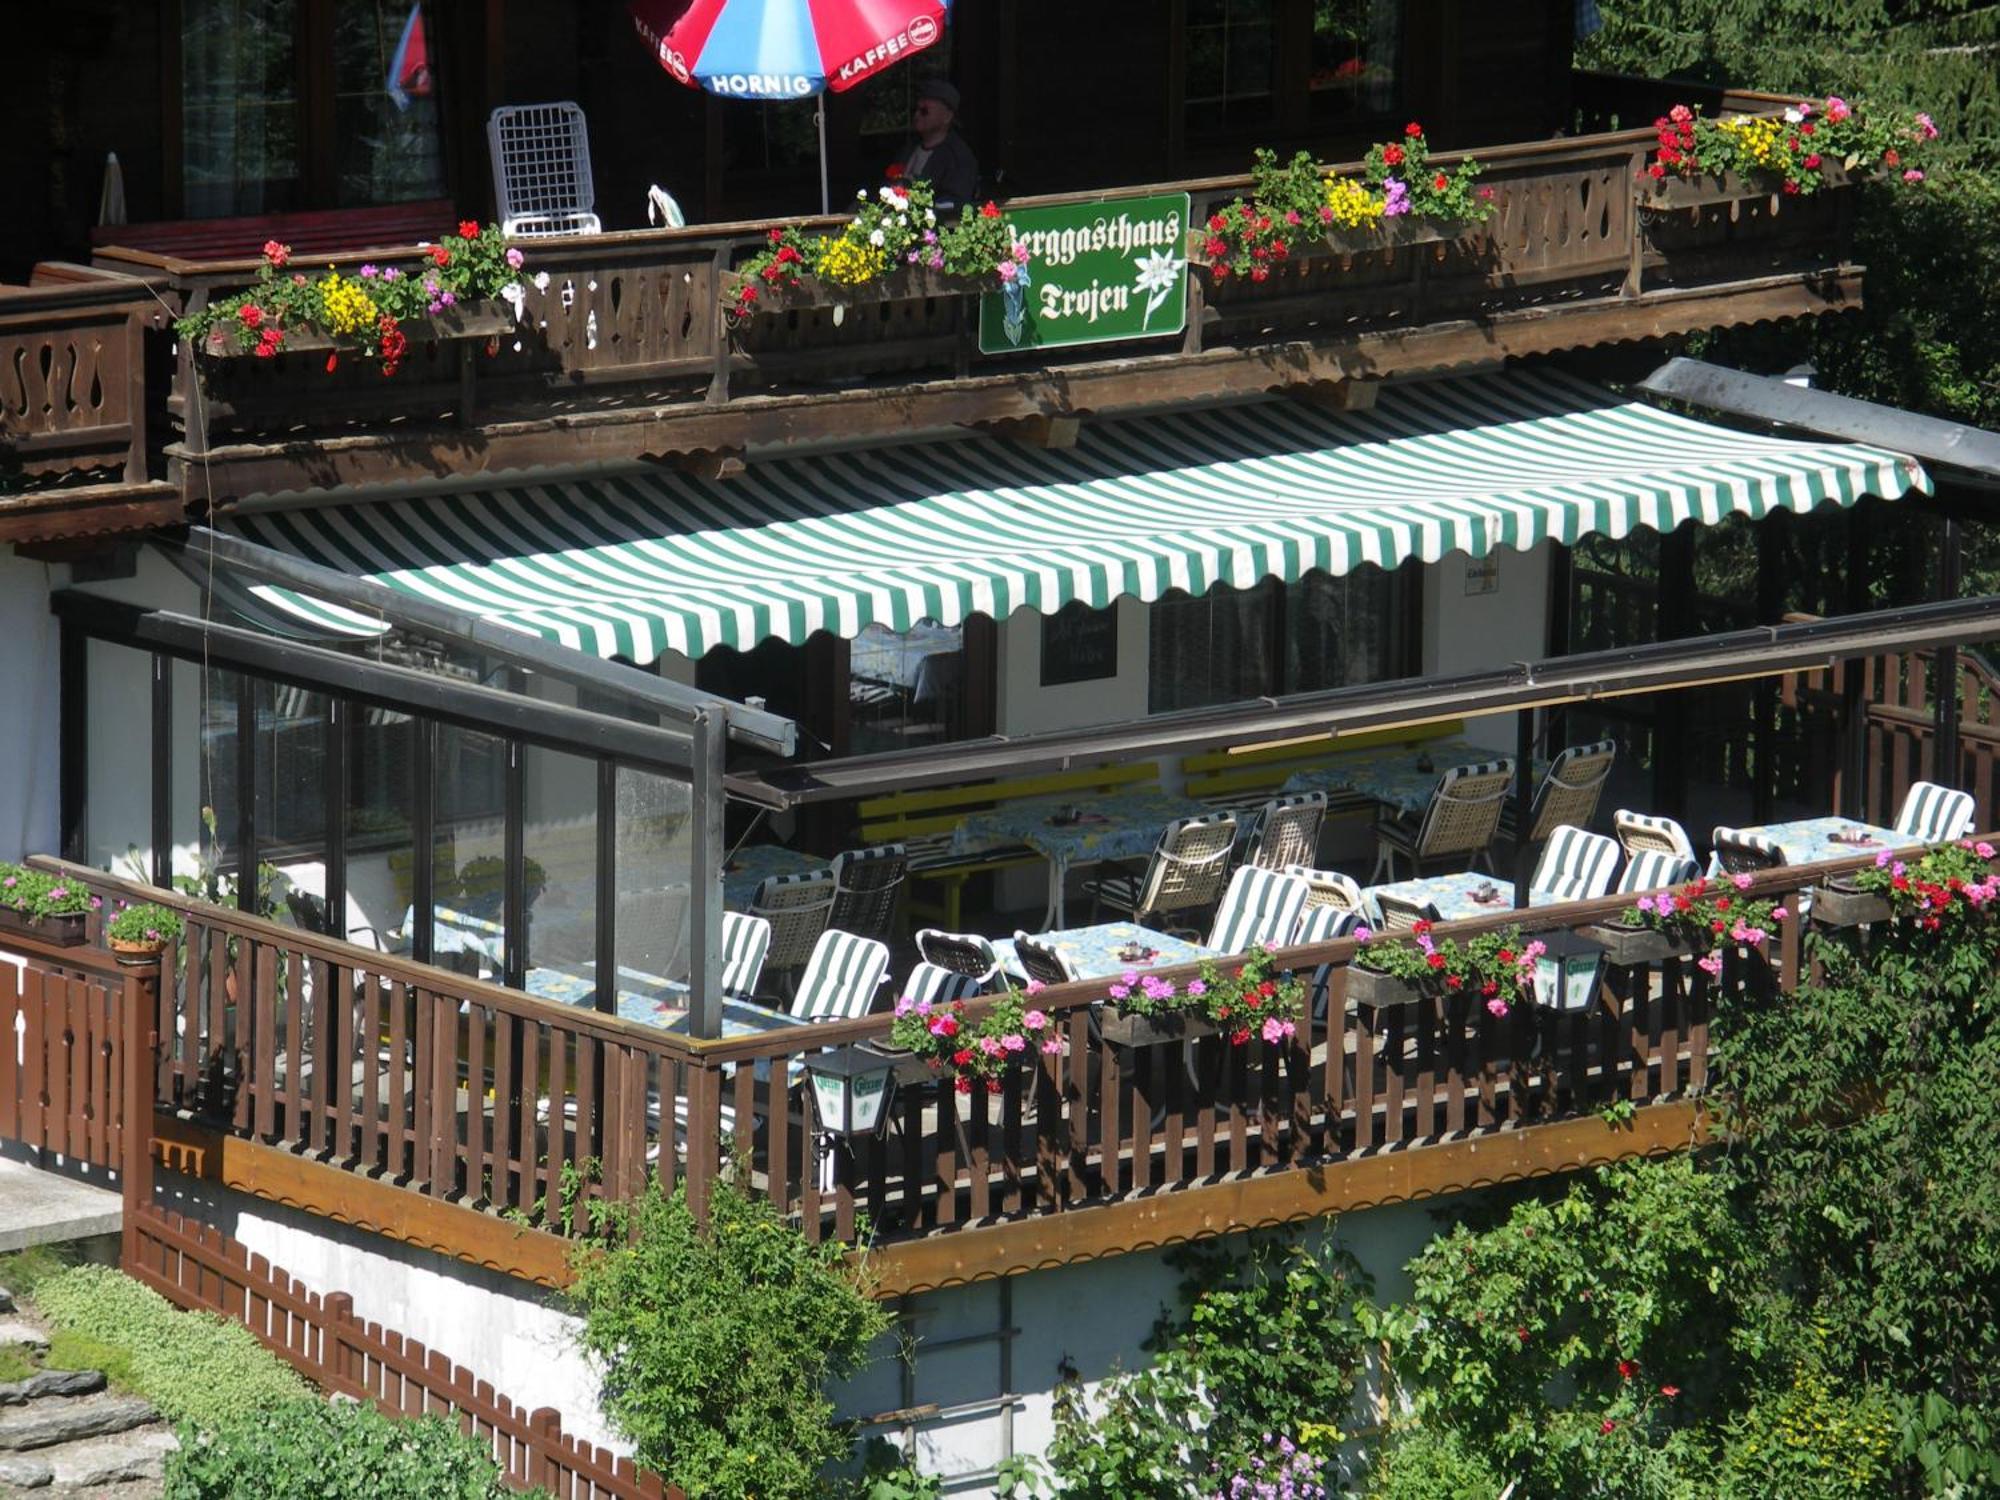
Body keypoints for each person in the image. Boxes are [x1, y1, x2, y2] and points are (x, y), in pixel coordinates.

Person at [895, 78, 979, 211]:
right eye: (915, 109)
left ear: (947, 117)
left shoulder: (958, 158)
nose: (917, 115)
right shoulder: (909, 148)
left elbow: (954, 204)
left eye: (924, 111)